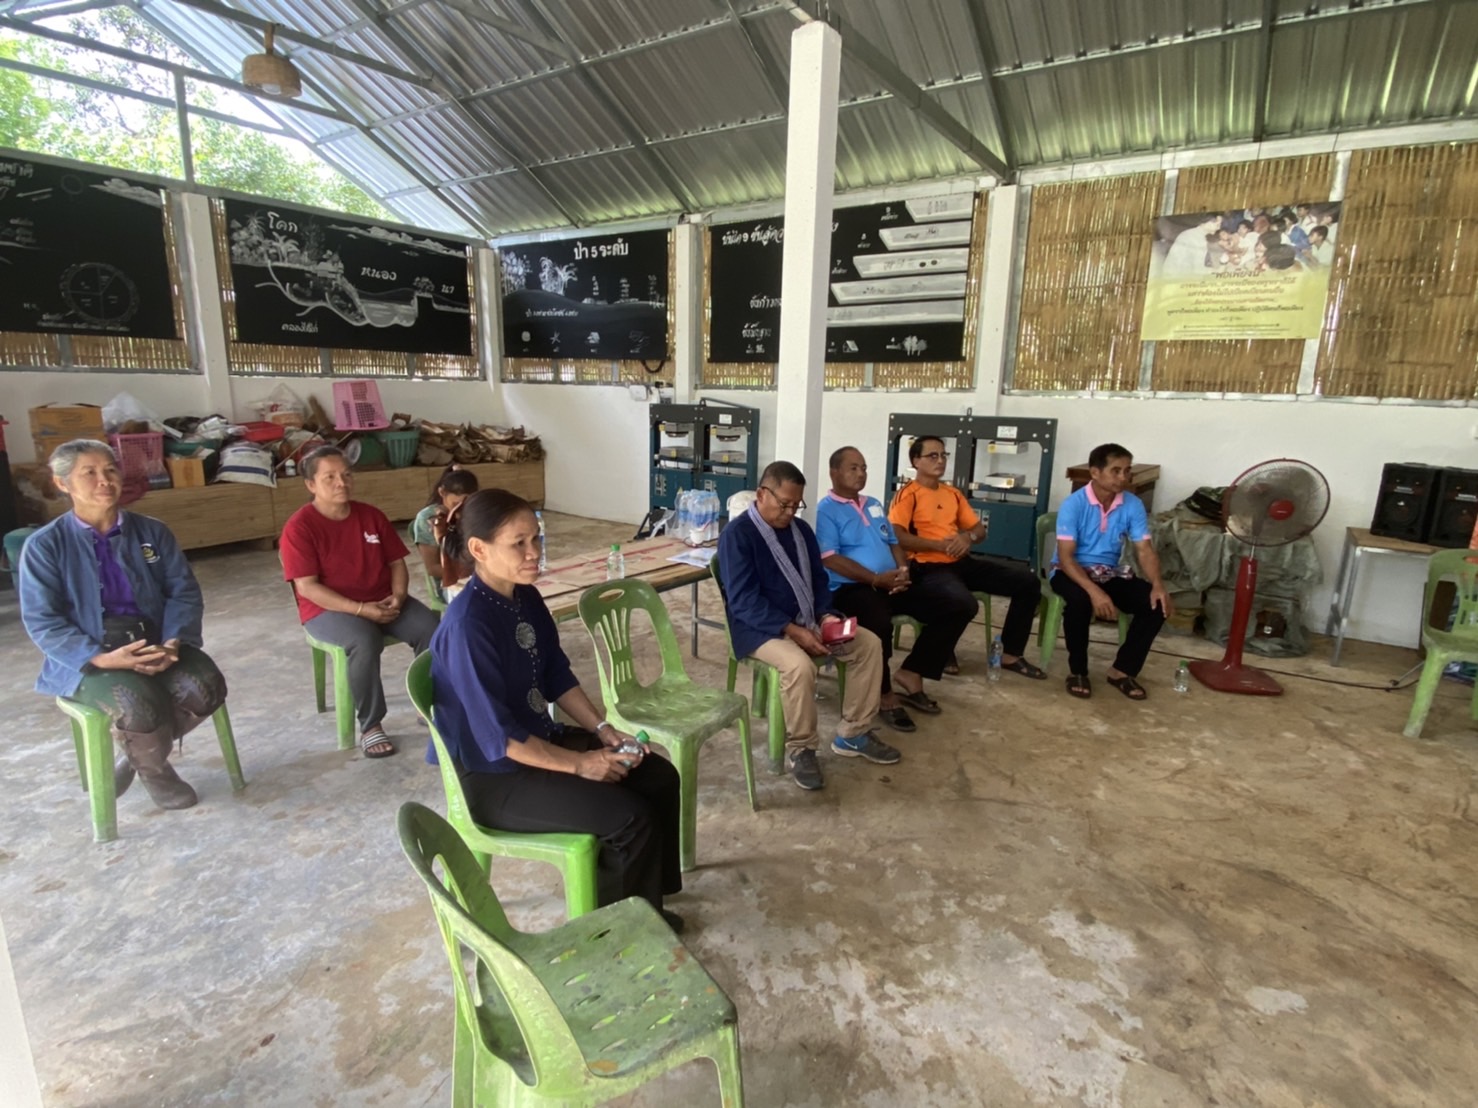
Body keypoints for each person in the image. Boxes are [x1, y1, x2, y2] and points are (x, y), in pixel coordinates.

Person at [428, 489, 686, 930]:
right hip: (494, 776)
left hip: (538, 741)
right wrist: (581, 764)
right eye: (519, 543)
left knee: (658, 776)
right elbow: (500, 738)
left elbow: (556, 675)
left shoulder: (524, 596)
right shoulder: (468, 625)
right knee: (628, 818)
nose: (534, 554)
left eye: (537, 540)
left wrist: (603, 730)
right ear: (479, 550)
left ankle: (646, 904)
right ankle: (619, 929)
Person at [16, 439, 225, 810]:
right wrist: (100, 658)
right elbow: (43, 620)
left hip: (155, 640)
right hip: (93, 653)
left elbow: (183, 592)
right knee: (137, 704)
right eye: (90, 473)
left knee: (206, 686)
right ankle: (157, 772)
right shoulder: (45, 545)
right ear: (63, 484)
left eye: (110, 470)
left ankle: (136, 755)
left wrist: (174, 641)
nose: (104, 480)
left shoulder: (152, 533)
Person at [718, 460, 895, 791]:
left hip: (808, 619)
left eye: (795, 505)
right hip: (758, 628)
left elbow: (818, 580)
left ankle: (854, 735)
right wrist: (792, 629)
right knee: (799, 667)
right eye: (783, 504)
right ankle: (802, 749)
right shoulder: (737, 536)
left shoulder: (801, 531)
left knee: (869, 644)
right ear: (761, 494)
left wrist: (826, 615)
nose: (789, 512)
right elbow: (743, 601)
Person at [280, 445, 438, 758]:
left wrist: (399, 595)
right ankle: (370, 724)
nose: (341, 483)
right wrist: (360, 610)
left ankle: (428, 702)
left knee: (433, 627)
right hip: (328, 609)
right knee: (363, 641)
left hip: (382, 599)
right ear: (311, 485)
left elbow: (396, 563)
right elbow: (308, 588)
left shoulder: (371, 515)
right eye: (330, 478)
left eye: (346, 475)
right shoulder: (299, 528)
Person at [816, 446, 975, 731]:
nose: (861, 473)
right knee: (878, 621)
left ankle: (914, 671)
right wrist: (875, 580)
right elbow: (831, 558)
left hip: (891, 582)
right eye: (853, 468)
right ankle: (885, 693)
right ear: (834, 472)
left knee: (958, 604)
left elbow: (893, 542)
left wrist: (903, 572)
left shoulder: (874, 503)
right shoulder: (826, 510)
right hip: (853, 588)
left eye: (864, 467)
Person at [889, 436, 1046, 681]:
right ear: (916, 461)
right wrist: (938, 545)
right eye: (933, 456)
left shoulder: (952, 493)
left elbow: (979, 530)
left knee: (1027, 582)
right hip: (927, 566)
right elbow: (897, 536)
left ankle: (1010, 654)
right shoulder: (908, 494)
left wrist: (967, 538)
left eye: (943, 455)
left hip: (961, 562)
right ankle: (933, 656)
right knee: (960, 601)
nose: (940, 460)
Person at [1050, 443, 1173, 701]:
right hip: (1069, 570)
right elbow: (1065, 557)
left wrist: (1158, 586)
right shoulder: (1074, 504)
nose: (1123, 477)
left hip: (1108, 571)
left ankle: (1122, 670)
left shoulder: (1132, 504)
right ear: (1095, 472)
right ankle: (1078, 671)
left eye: (1126, 471)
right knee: (1079, 602)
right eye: (1115, 471)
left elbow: (1144, 550)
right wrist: (1095, 592)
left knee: (1155, 604)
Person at [411, 466, 478, 601]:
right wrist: (472, 574)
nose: (460, 509)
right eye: (455, 504)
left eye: (466, 503)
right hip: (450, 583)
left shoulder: (476, 510)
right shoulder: (429, 520)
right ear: (442, 493)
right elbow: (432, 568)